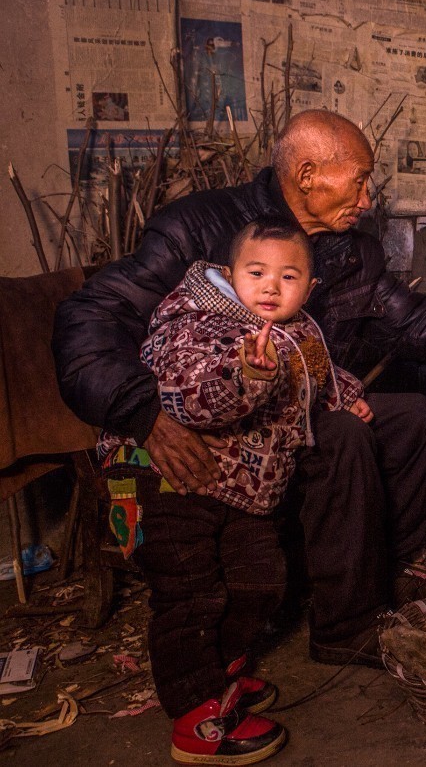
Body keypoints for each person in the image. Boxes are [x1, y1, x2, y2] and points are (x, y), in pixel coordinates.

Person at [54, 109, 426, 670]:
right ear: (307, 176)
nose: (368, 199)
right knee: (344, 433)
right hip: (221, 425)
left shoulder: (352, 252)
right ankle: (344, 628)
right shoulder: (197, 227)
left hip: (299, 409)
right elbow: (88, 317)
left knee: (411, 418)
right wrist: (144, 413)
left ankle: (378, 581)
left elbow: (417, 322)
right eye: (360, 180)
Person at [98, 218, 367, 764]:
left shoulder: (299, 331)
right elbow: (190, 398)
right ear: (229, 272)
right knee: (191, 596)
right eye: (257, 272)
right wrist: (245, 376)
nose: (271, 287)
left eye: (288, 276)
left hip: (239, 490)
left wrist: (348, 397)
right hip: (165, 481)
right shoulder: (197, 323)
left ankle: (220, 672)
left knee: (260, 581)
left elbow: (318, 378)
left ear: (309, 287)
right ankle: (196, 718)